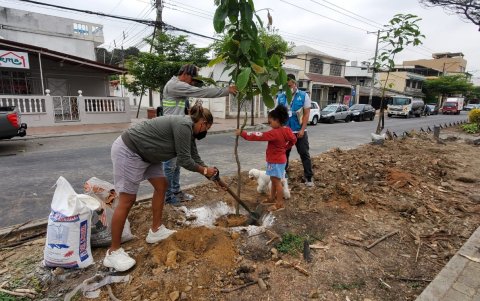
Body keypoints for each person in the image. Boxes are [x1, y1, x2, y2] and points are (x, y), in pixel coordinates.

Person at [103, 104, 218, 272]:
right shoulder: (184, 126)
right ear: (202, 122)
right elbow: (185, 160)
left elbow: (195, 157)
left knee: (162, 185)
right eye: (206, 128)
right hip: (130, 150)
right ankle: (113, 253)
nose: (204, 132)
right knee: (127, 200)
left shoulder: (189, 130)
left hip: (148, 154)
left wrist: (210, 173)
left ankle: (155, 231)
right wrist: (205, 171)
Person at [162, 64, 237, 205]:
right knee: (170, 166)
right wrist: (226, 90)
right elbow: (201, 92)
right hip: (171, 130)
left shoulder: (177, 88)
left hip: (177, 128)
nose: (192, 83)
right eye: (192, 79)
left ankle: (176, 192)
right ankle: (167, 197)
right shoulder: (175, 85)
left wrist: (207, 172)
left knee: (176, 165)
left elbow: (194, 155)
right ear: (184, 73)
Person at [236, 105, 297, 211]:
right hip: (280, 160)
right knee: (274, 180)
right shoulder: (287, 130)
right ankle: (272, 198)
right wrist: (286, 148)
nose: (269, 124)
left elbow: (258, 135)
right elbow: (293, 140)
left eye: (270, 122)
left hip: (275, 161)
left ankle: (279, 204)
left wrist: (243, 134)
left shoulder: (274, 133)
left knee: (277, 182)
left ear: (277, 120)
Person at [276, 74, 314, 187]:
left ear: (295, 83)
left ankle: (309, 177)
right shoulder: (281, 97)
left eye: (290, 84)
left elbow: (307, 114)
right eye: (286, 85)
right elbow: (278, 115)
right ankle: (283, 175)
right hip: (285, 132)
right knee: (284, 154)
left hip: (299, 132)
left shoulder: (303, 96)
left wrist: (303, 129)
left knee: (304, 154)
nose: (288, 87)